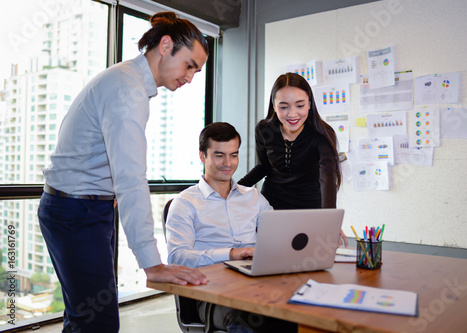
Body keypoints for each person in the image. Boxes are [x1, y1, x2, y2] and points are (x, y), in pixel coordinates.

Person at [38, 12, 209, 333]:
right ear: (166, 45)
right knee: (97, 323)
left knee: (84, 318)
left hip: (85, 207)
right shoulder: (127, 89)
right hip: (75, 212)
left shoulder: (127, 80)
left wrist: (107, 193)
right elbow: (131, 178)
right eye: (189, 65)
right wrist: (152, 263)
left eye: (196, 71)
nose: (190, 78)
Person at [166, 122, 296, 332]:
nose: (228, 163)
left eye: (233, 155)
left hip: (259, 283)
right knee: (249, 318)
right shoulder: (185, 203)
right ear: (202, 156)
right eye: (219, 155)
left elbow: (279, 236)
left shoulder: (253, 196)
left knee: (303, 311)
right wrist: (231, 253)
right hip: (213, 294)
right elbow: (177, 257)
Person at [238, 72, 348, 246]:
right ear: (273, 105)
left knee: (307, 264)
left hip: (309, 211)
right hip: (271, 209)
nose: (292, 114)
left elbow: (327, 177)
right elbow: (263, 167)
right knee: (270, 261)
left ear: (310, 104)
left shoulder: (322, 135)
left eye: (300, 105)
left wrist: (329, 221)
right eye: (284, 107)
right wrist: (233, 191)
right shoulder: (265, 129)